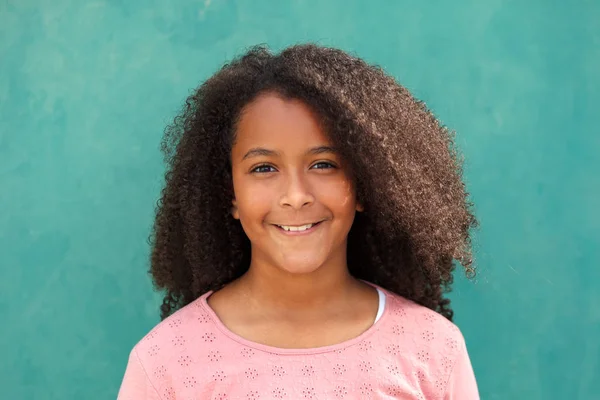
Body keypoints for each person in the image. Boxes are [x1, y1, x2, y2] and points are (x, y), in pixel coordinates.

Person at [117, 43, 480, 399]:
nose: (296, 195)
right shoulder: (166, 362)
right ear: (230, 194)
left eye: (323, 164)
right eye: (263, 168)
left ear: (366, 185)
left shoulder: (433, 350)